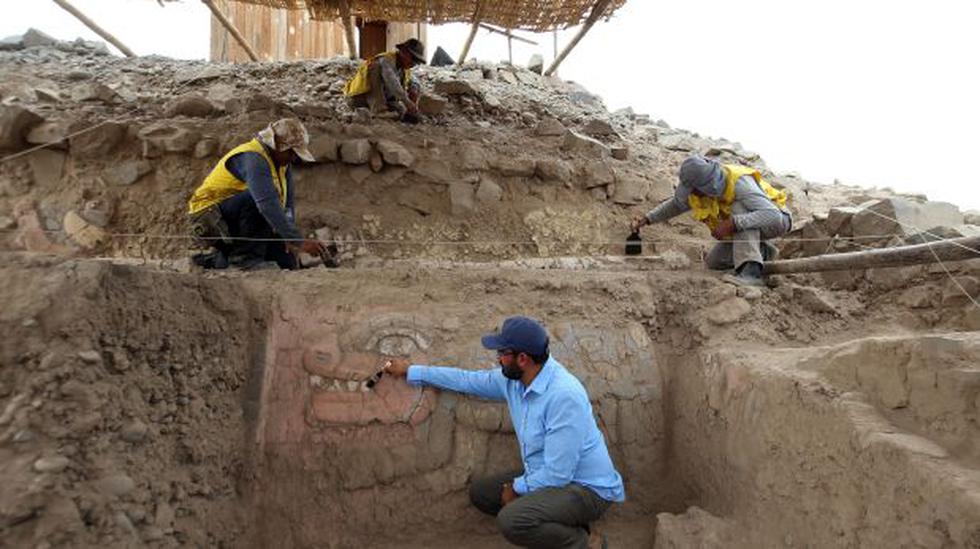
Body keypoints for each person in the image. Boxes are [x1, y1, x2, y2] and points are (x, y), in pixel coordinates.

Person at [385, 316, 623, 549]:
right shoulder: (514, 381)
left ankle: (584, 543)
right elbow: (466, 380)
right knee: (483, 494)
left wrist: (517, 488)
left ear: (522, 359)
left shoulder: (563, 396)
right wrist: (411, 371)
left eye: (502, 353)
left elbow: (559, 474)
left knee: (512, 520)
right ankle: (568, 525)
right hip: (550, 475)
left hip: (586, 488)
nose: (497, 359)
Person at [187, 118, 326, 270]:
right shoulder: (254, 159)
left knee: (286, 263)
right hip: (209, 218)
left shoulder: (282, 164)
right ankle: (244, 261)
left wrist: (288, 237)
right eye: (291, 153)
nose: (294, 158)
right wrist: (298, 241)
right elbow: (267, 204)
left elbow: (287, 205)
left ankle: (216, 261)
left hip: (235, 220)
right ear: (278, 146)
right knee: (257, 201)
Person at [631, 155, 792, 287]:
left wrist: (732, 224)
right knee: (714, 261)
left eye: (693, 190)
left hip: (777, 221)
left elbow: (772, 214)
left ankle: (751, 274)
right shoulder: (702, 191)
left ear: (707, 186)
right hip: (754, 225)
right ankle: (764, 252)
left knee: (739, 209)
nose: (691, 193)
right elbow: (676, 205)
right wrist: (647, 219)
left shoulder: (740, 184)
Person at [344, 38, 425, 122]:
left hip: (379, 100)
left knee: (400, 110)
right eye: (413, 59)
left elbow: (414, 80)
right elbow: (391, 81)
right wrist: (407, 102)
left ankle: (381, 111)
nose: (414, 64)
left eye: (417, 62)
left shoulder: (404, 70)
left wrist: (414, 88)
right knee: (375, 67)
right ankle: (379, 110)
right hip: (359, 98)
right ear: (403, 52)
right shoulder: (385, 60)